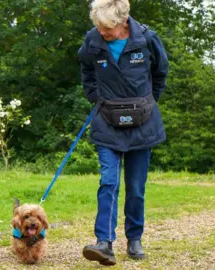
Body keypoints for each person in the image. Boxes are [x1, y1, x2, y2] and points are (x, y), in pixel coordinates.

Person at [77, 0, 169, 266]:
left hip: (143, 123)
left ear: (122, 22)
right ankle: (104, 242)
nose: (101, 32)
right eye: (98, 26)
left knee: (136, 187)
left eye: (106, 28)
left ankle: (135, 238)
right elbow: (86, 70)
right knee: (109, 181)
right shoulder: (93, 41)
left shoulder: (147, 39)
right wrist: (95, 97)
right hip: (107, 121)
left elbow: (161, 72)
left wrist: (150, 102)